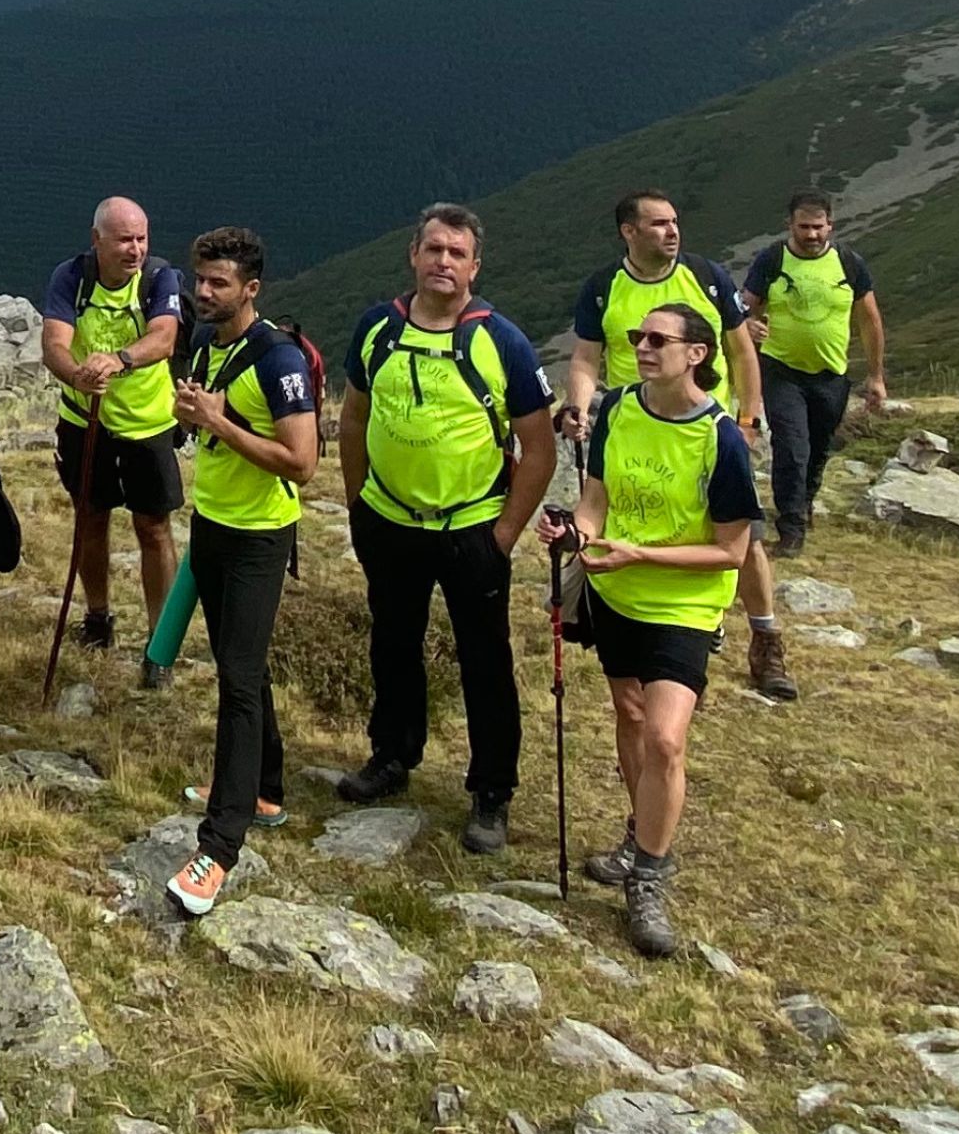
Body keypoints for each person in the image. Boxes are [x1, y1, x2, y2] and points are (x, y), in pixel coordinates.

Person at [329, 203, 556, 855]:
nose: (444, 263)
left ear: (475, 266)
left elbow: (537, 449)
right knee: (392, 643)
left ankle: (491, 792)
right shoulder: (377, 330)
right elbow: (352, 419)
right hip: (390, 521)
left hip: (472, 528)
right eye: (434, 249)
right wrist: (359, 507)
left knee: (485, 660)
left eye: (457, 254)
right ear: (413, 255)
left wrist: (504, 534)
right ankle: (392, 757)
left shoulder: (502, 342)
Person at [548, 300, 762, 957]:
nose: (641, 347)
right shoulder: (615, 411)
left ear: (696, 354)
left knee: (667, 739)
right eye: (638, 337)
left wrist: (641, 553)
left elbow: (731, 550)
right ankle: (639, 833)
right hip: (616, 591)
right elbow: (596, 500)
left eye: (657, 340)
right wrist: (575, 532)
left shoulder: (719, 438)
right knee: (632, 714)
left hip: (686, 604)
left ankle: (648, 876)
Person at [564, 191, 795, 703]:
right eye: (659, 224)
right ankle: (643, 625)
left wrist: (748, 419)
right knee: (618, 522)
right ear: (629, 231)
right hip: (634, 426)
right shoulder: (604, 288)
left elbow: (741, 349)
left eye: (675, 223)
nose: (672, 232)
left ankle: (764, 636)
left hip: (706, 433)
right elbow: (585, 358)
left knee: (744, 539)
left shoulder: (707, 275)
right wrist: (578, 408)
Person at [164, 226, 321, 916]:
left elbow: (302, 462)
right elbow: (205, 423)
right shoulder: (204, 341)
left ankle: (220, 846)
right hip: (214, 523)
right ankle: (266, 789)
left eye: (219, 283)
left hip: (260, 537)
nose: (203, 292)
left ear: (251, 289)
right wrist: (192, 420)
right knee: (245, 668)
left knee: (236, 680)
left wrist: (220, 425)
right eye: (201, 280)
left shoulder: (277, 358)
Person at [40, 197, 188, 685]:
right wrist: (76, 377)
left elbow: (165, 337)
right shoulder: (72, 277)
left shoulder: (161, 278)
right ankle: (98, 618)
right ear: (96, 239)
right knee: (90, 517)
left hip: (147, 424)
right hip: (86, 422)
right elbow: (54, 345)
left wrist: (120, 360)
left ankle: (159, 644)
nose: (136, 249)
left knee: (154, 528)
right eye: (125, 239)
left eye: (142, 237)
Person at [737, 193, 886, 558]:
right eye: (804, 227)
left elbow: (869, 320)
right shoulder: (772, 260)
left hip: (832, 375)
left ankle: (804, 504)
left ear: (830, 226)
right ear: (791, 226)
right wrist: (749, 324)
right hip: (781, 371)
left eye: (818, 227)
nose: (812, 235)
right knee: (792, 447)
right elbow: (742, 307)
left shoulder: (849, 263)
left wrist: (876, 376)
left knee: (818, 450)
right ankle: (791, 529)